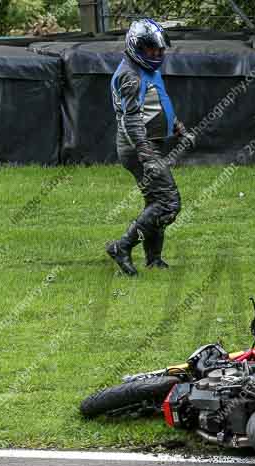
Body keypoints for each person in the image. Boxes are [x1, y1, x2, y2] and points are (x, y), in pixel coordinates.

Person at [106, 18, 188, 276]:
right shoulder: (130, 76)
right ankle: (122, 246)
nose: (157, 54)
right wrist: (144, 151)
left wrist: (174, 124)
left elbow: (155, 101)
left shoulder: (146, 70)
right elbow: (131, 119)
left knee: (156, 201)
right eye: (151, 50)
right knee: (168, 203)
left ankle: (154, 259)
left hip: (149, 144)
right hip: (139, 148)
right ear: (136, 48)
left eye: (160, 50)